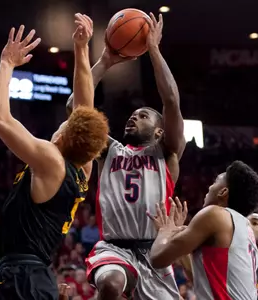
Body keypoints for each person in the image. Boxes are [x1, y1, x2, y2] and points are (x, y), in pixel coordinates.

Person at [0, 15, 109, 300]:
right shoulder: (83, 168)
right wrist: (81, 48)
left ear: (62, 138)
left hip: (22, 278)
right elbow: (84, 105)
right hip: (36, 277)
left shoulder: (52, 160)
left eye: (62, 126)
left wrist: (7, 63)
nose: (59, 126)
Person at [66, 13, 186, 299]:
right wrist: (105, 61)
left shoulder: (166, 152)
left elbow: (170, 100)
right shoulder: (109, 150)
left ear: (159, 131)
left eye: (142, 116)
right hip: (114, 246)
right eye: (132, 115)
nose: (133, 118)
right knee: (110, 284)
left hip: (155, 249)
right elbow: (75, 109)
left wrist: (153, 50)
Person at [149, 161, 258, 300]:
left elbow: (157, 259)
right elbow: (202, 280)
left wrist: (164, 232)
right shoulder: (246, 230)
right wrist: (178, 236)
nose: (210, 187)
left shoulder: (215, 214)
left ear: (223, 192)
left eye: (215, 182)